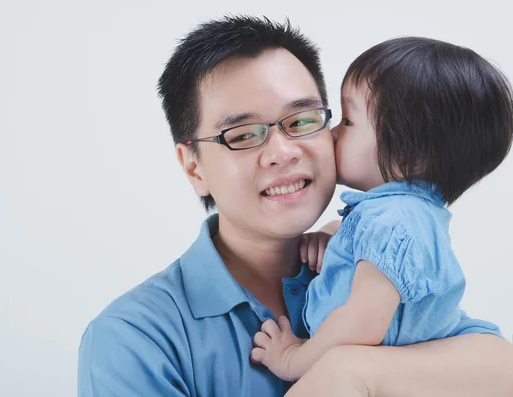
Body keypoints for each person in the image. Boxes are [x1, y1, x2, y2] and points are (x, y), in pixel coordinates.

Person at [77, 16, 513, 396]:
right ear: (194, 166)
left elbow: (496, 361)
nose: (283, 152)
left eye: (302, 121)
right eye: (243, 134)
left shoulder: (358, 257)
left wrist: (356, 371)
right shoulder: (134, 340)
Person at [250, 36, 513, 383]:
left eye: (348, 121)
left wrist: (292, 359)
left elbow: (362, 325)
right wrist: (334, 236)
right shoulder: (404, 216)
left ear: (408, 156)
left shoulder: (394, 221)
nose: (331, 133)